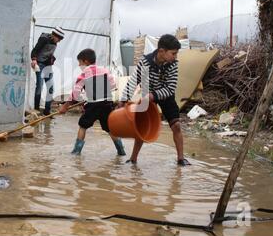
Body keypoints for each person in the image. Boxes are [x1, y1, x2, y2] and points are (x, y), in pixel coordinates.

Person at [120, 34, 191, 166]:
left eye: (176, 54)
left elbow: (170, 88)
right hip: (148, 94)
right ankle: (133, 159)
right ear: (161, 51)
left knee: (176, 125)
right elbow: (133, 81)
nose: (175, 57)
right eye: (173, 53)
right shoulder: (145, 62)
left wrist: (153, 95)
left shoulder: (173, 64)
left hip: (166, 95)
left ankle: (181, 159)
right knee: (142, 126)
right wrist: (123, 100)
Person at [59, 48, 126, 156]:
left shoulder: (84, 74)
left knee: (83, 126)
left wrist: (65, 106)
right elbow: (113, 85)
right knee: (110, 129)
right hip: (107, 104)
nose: (79, 65)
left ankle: (76, 151)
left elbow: (75, 93)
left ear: (85, 61)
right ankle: (121, 151)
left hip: (93, 106)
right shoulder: (105, 70)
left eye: (79, 63)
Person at [31, 27, 65, 115]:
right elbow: (35, 50)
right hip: (40, 65)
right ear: (54, 35)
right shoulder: (44, 39)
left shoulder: (55, 42)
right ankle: (36, 109)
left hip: (48, 67)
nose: (59, 41)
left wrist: (52, 58)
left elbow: (48, 53)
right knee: (39, 86)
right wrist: (34, 59)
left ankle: (47, 111)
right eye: (59, 38)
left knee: (51, 88)